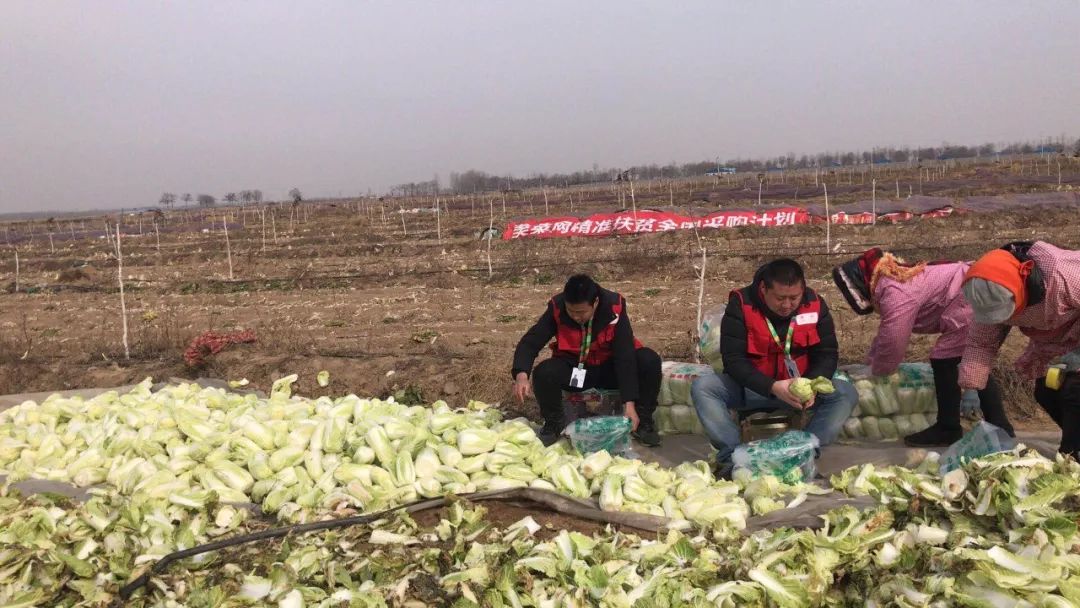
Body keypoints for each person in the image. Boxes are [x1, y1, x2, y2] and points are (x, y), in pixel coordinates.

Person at [691, 258, 857, 476]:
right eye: (780, 298)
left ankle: (805, 452)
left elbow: (827, 354)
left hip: (800, 389)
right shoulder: (741, 304)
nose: (787, 305)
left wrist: (811, 384)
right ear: (763, 289)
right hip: (751, 388)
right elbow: (733, 360)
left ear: (803, 289)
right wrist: (773, 386)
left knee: (845, 393)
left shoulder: (815, 304)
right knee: (703, 387)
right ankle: (734, 458)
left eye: (794, 298)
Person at [832, 248, 1014, 446]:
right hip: (975, 295)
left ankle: (950, 428)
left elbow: (894, 339)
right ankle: (998, 426)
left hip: (972, 301)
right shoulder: (891, 280)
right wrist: (870, 360)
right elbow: (886, 331)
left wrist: (877, 370)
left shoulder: (894, 290)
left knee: (947, 361)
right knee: (970, 361)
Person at [959, 241, 1080, 458]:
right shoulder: (991, 289)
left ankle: (1072, 454)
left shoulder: (1062, 274)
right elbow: (981, 342)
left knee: (1074, 391)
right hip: (1058, 344)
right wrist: (971, 387)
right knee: (1046, 391)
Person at [512, 274, 662, 447]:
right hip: (577, 370)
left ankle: (643, 422)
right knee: (544, 372)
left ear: (595, 303)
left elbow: (624, 355)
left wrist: (629, 404)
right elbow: (531, 342)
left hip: (610, 369)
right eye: (571, 311)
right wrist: (521, 375)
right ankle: (554, 423)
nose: (576, 317)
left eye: (581, 312)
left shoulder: (615, 307)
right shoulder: (557, 308)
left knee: (648, 359)